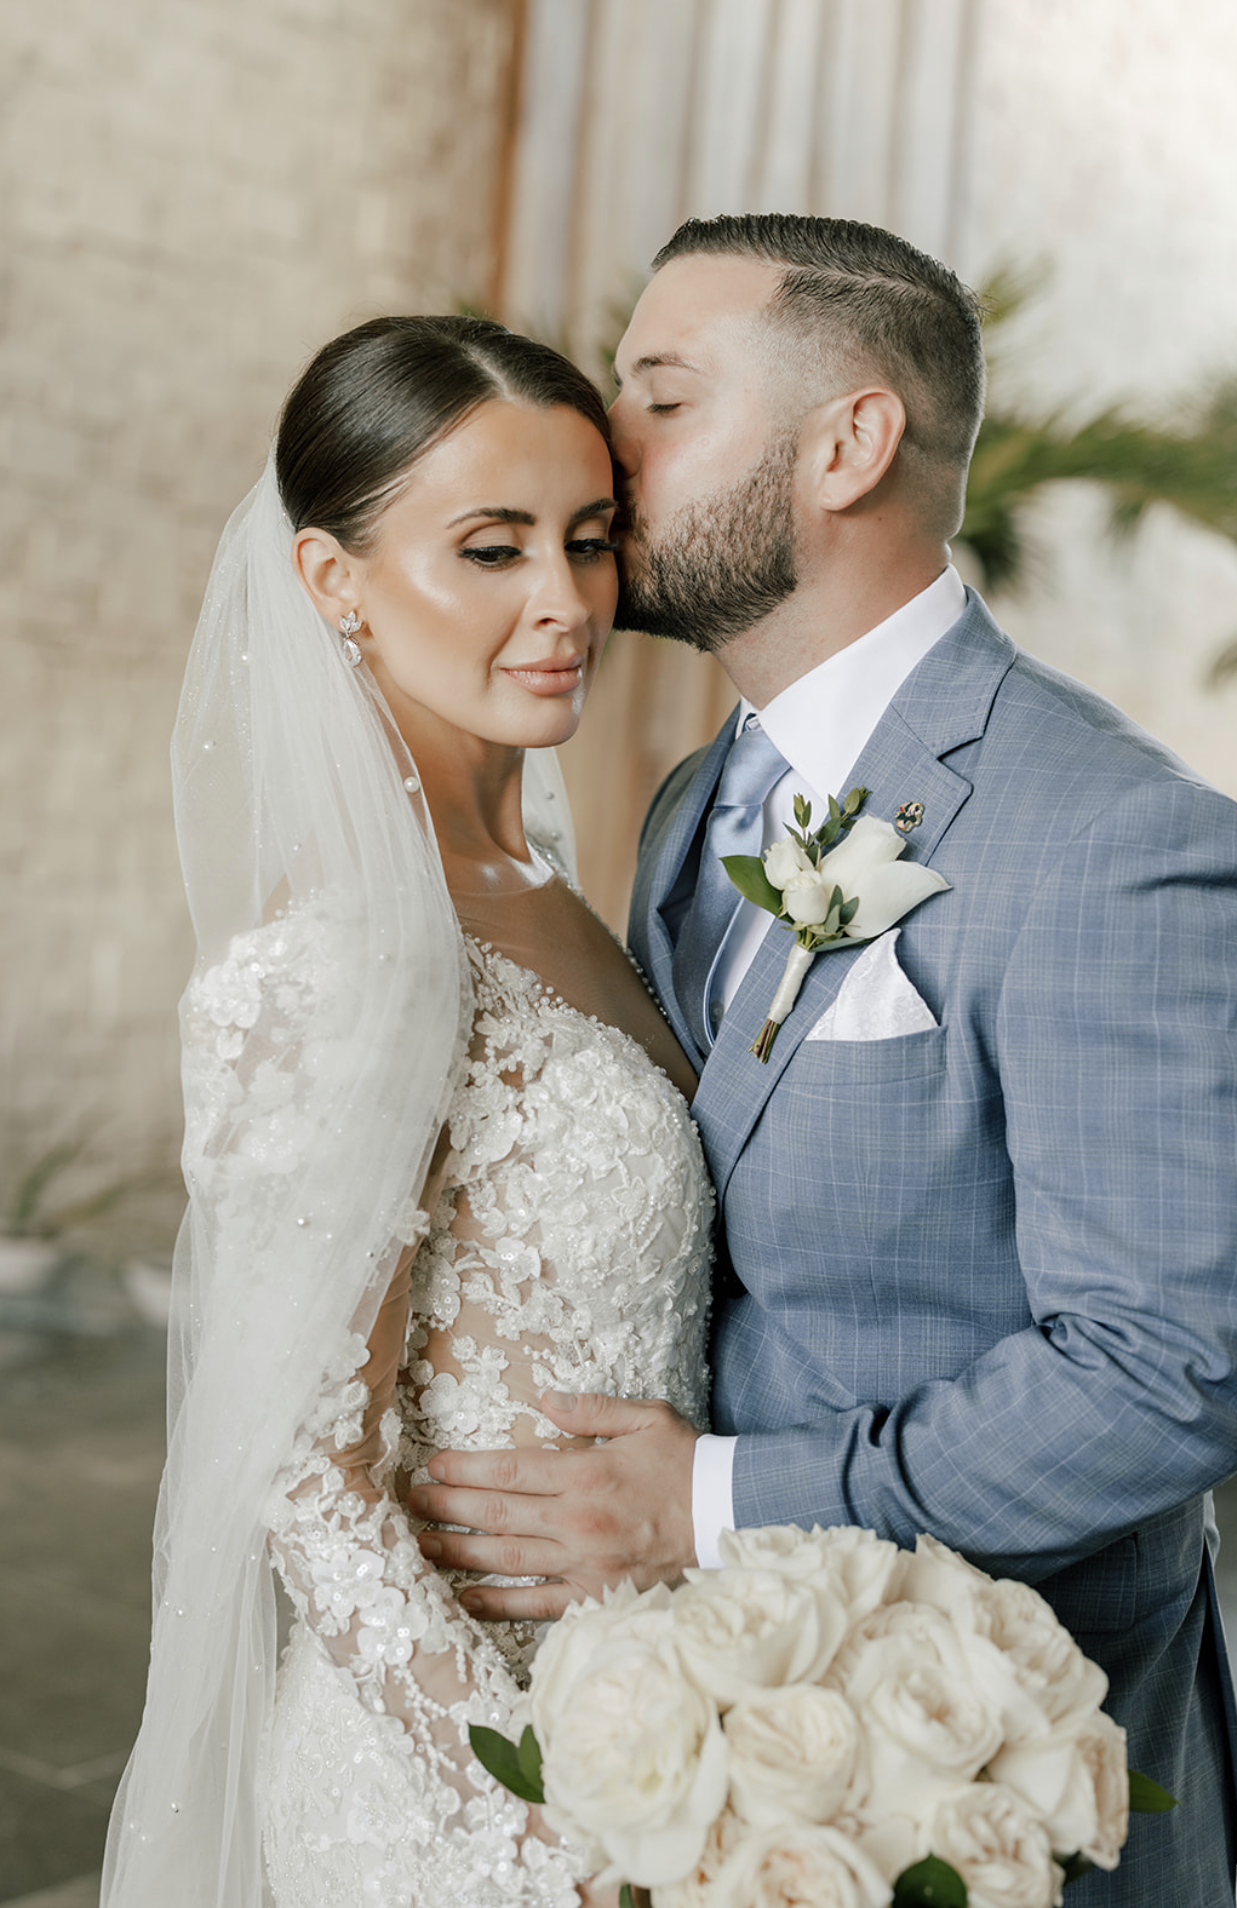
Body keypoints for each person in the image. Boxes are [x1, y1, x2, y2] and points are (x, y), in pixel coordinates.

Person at [408, 216, 1237, 1902]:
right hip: (712, 1757)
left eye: (659, 396)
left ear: (848, 444)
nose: (602, 444)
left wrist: (712, 1506)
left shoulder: (1114, 839)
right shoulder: (686, 810)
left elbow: (1173, 1366)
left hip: (1004, 1765)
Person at [101, 315, 713, 1908]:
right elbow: (305, 1472)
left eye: (587, 543)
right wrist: (535, 1817)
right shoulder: (342, 960)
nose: (563, 604)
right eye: (491, 549)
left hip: (658, 1708)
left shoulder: (554, 894)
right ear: (333, 583)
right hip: (461, 1784)